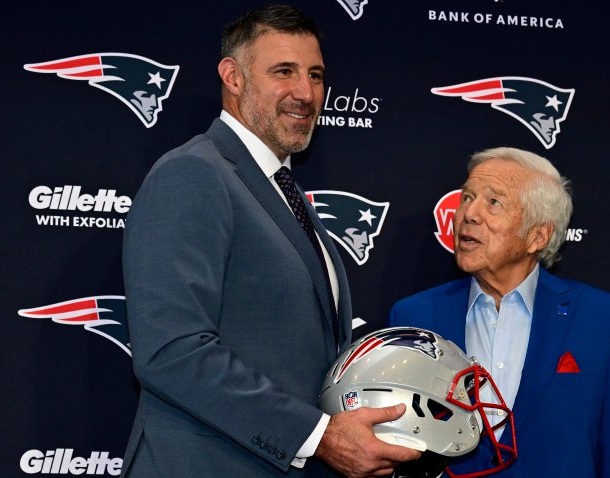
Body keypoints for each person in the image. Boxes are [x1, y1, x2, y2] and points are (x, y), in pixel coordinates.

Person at [120, 5, 420, 478]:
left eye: (316, 75)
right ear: (232, 77)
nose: (306, 93)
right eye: (284, 71)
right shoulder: (194, 174)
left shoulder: (284, 192)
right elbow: (171, 351)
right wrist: (319, 436)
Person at [389, 147, 610, 477]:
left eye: (493, 202)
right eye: (467, 197)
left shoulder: (604, 320)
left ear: (537, 236)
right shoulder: (414, 316)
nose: (470, 213)